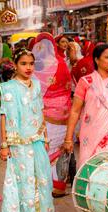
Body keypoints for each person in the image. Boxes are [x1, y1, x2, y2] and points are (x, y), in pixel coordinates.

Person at [0, 48, 55, 212]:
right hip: (19, 141)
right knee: (25, 180)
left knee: (43, 177)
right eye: (23, 64)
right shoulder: (8, 88)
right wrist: (4, 145)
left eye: (31, 64)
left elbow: (40, 111)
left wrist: (46, 137)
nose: (28, 67)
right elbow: (5, 116)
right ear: (15, 65)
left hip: (37, 138)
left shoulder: (37, 85)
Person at [62, 44, 108, 168]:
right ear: (96, 59)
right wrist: (68, 138)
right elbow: (75, 111)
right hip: (91, 135)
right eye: (107, 57)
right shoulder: (86, 82)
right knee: (92, 170)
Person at [32, 33, 72, 197]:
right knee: (61, 148)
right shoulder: (61, 63)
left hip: (44, 113)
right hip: (63, 113)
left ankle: (43, 185)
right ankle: (59, 185)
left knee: (45, 148)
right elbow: (68, 86)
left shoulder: (35, 66)